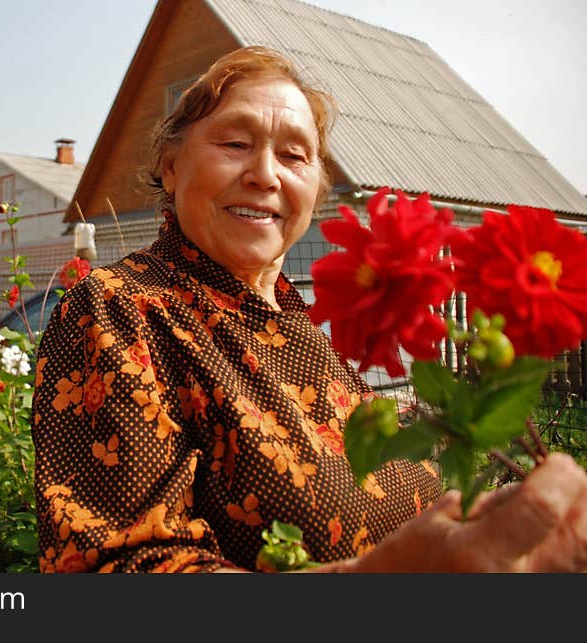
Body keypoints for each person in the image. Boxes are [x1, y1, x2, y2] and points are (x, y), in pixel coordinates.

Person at [31, 46, 587, 573]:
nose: (266, 174)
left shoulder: (304, 323)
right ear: (171, 166)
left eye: (294, 155)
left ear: (316, 188)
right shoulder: (120, 308)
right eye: (233, 143)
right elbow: (115, 568)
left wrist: (505, 538)